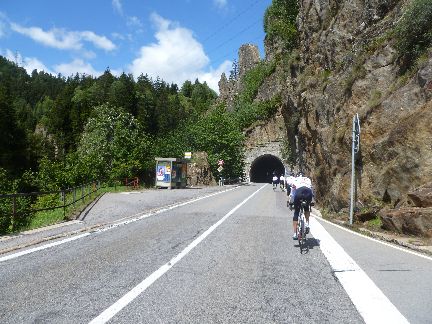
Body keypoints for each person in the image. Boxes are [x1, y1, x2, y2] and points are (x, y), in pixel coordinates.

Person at [291, 173, 313, 240]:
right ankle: (307, 224)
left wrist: (291, 202)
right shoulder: (308, 179)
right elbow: (311, 189)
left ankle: (295, 234)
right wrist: (312, 201)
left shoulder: (296, 179)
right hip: (308, 192)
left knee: (296, 212)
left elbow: (293, 192)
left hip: (299, 192)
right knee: (307, 208)